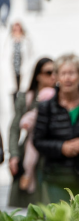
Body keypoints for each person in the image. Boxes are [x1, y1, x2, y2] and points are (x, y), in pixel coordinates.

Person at [33, 54, 79, 203]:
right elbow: (38, 141)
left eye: (72, 73)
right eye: (63, 73)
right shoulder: (46, 107)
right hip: (56, 179)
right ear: (56, 76)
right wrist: (61, 147)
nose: (67, 78)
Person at [6, 56, 55, 207]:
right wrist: (14, 155)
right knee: (27, 207)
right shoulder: (27, 98)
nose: (53, 76)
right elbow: (14, 128)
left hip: (51, 154)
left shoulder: (59, 96)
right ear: (38, 76)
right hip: (28, 154)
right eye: (49, 72)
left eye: (55, 72)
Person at [6, 22, 33, 94]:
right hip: (13, 70)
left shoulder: (26, 40)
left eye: (19, 29)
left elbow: (30, 56)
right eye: (15, 29)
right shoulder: (9, 41)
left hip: (23, 69)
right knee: (13, 90)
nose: (17, 31)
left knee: (23, 90)